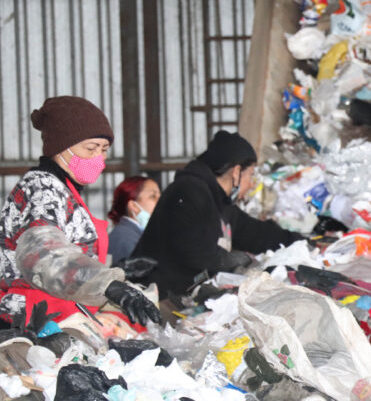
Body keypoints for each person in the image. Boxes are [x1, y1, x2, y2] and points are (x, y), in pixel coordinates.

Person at [0, 96, 160, 327]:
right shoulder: (41, 188)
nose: (100, 158)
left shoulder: (65, 190)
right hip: (36, 320)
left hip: (65, 312)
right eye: (90, 148)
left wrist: (118, 271)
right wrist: (108, 284)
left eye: (104, 149)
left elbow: (74, 251)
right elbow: (44, 255)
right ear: (60, 148)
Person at [132, 130, 303, 298]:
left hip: (180, 300)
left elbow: (255, 233)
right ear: (236, 172)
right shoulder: (188, 192)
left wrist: (299, 241)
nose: (251, 184)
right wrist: (228, 260)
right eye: (250, 175)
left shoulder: (221, 203)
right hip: (156, 301)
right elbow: (191, 249)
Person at [107, 176, 161, 265]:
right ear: (133, 206)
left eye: (160, 196)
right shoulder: (124, 237)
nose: (160, 201)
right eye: (153, 196)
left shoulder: (133, 234)